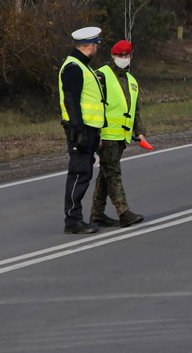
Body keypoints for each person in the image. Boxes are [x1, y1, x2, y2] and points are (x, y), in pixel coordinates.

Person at [91, 40, 146, 228]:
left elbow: (135, 110)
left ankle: (97, 214)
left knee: (105, 174)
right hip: (105, 135)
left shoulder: (132, 81)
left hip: (121, 136)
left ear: (131, 56)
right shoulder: (101, 76)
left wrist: (140, 132)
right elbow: (93, 106)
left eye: (126, 55)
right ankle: (124, 212)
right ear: (113, 56)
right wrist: (95, 134)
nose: (123, 59)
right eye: (120, 55)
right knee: (113, 172)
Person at [58, 26, 106, 234]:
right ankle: (72, 220)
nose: (97, 48)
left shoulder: (83, 67)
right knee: (78, 173)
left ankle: (76, 218)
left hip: (89, 130)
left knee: (84, 173)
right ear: (90, 46)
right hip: (80, 130)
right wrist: (79, 131)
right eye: (96, 44)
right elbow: (71, 101)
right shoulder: (73, 67)